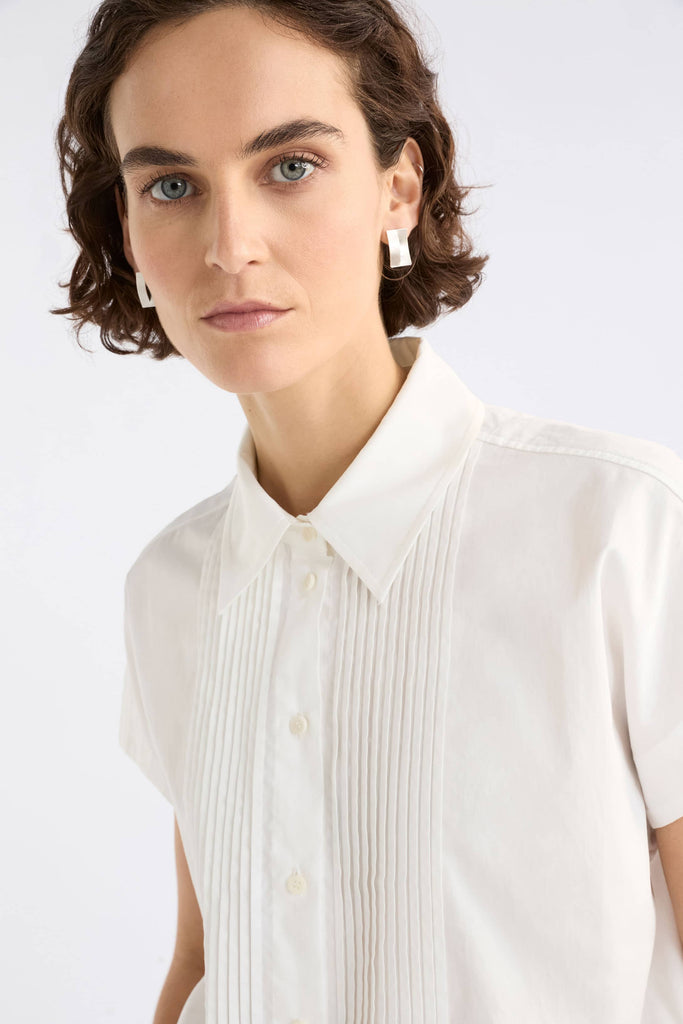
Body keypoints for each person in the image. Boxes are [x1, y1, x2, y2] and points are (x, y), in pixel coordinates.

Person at [52, 2, 683, 1022]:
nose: (229, 244)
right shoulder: (169, 590)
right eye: (170, 184)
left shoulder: (621, 533)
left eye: (288, 165)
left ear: (400, 183)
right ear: (126, 225)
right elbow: (203, 958)